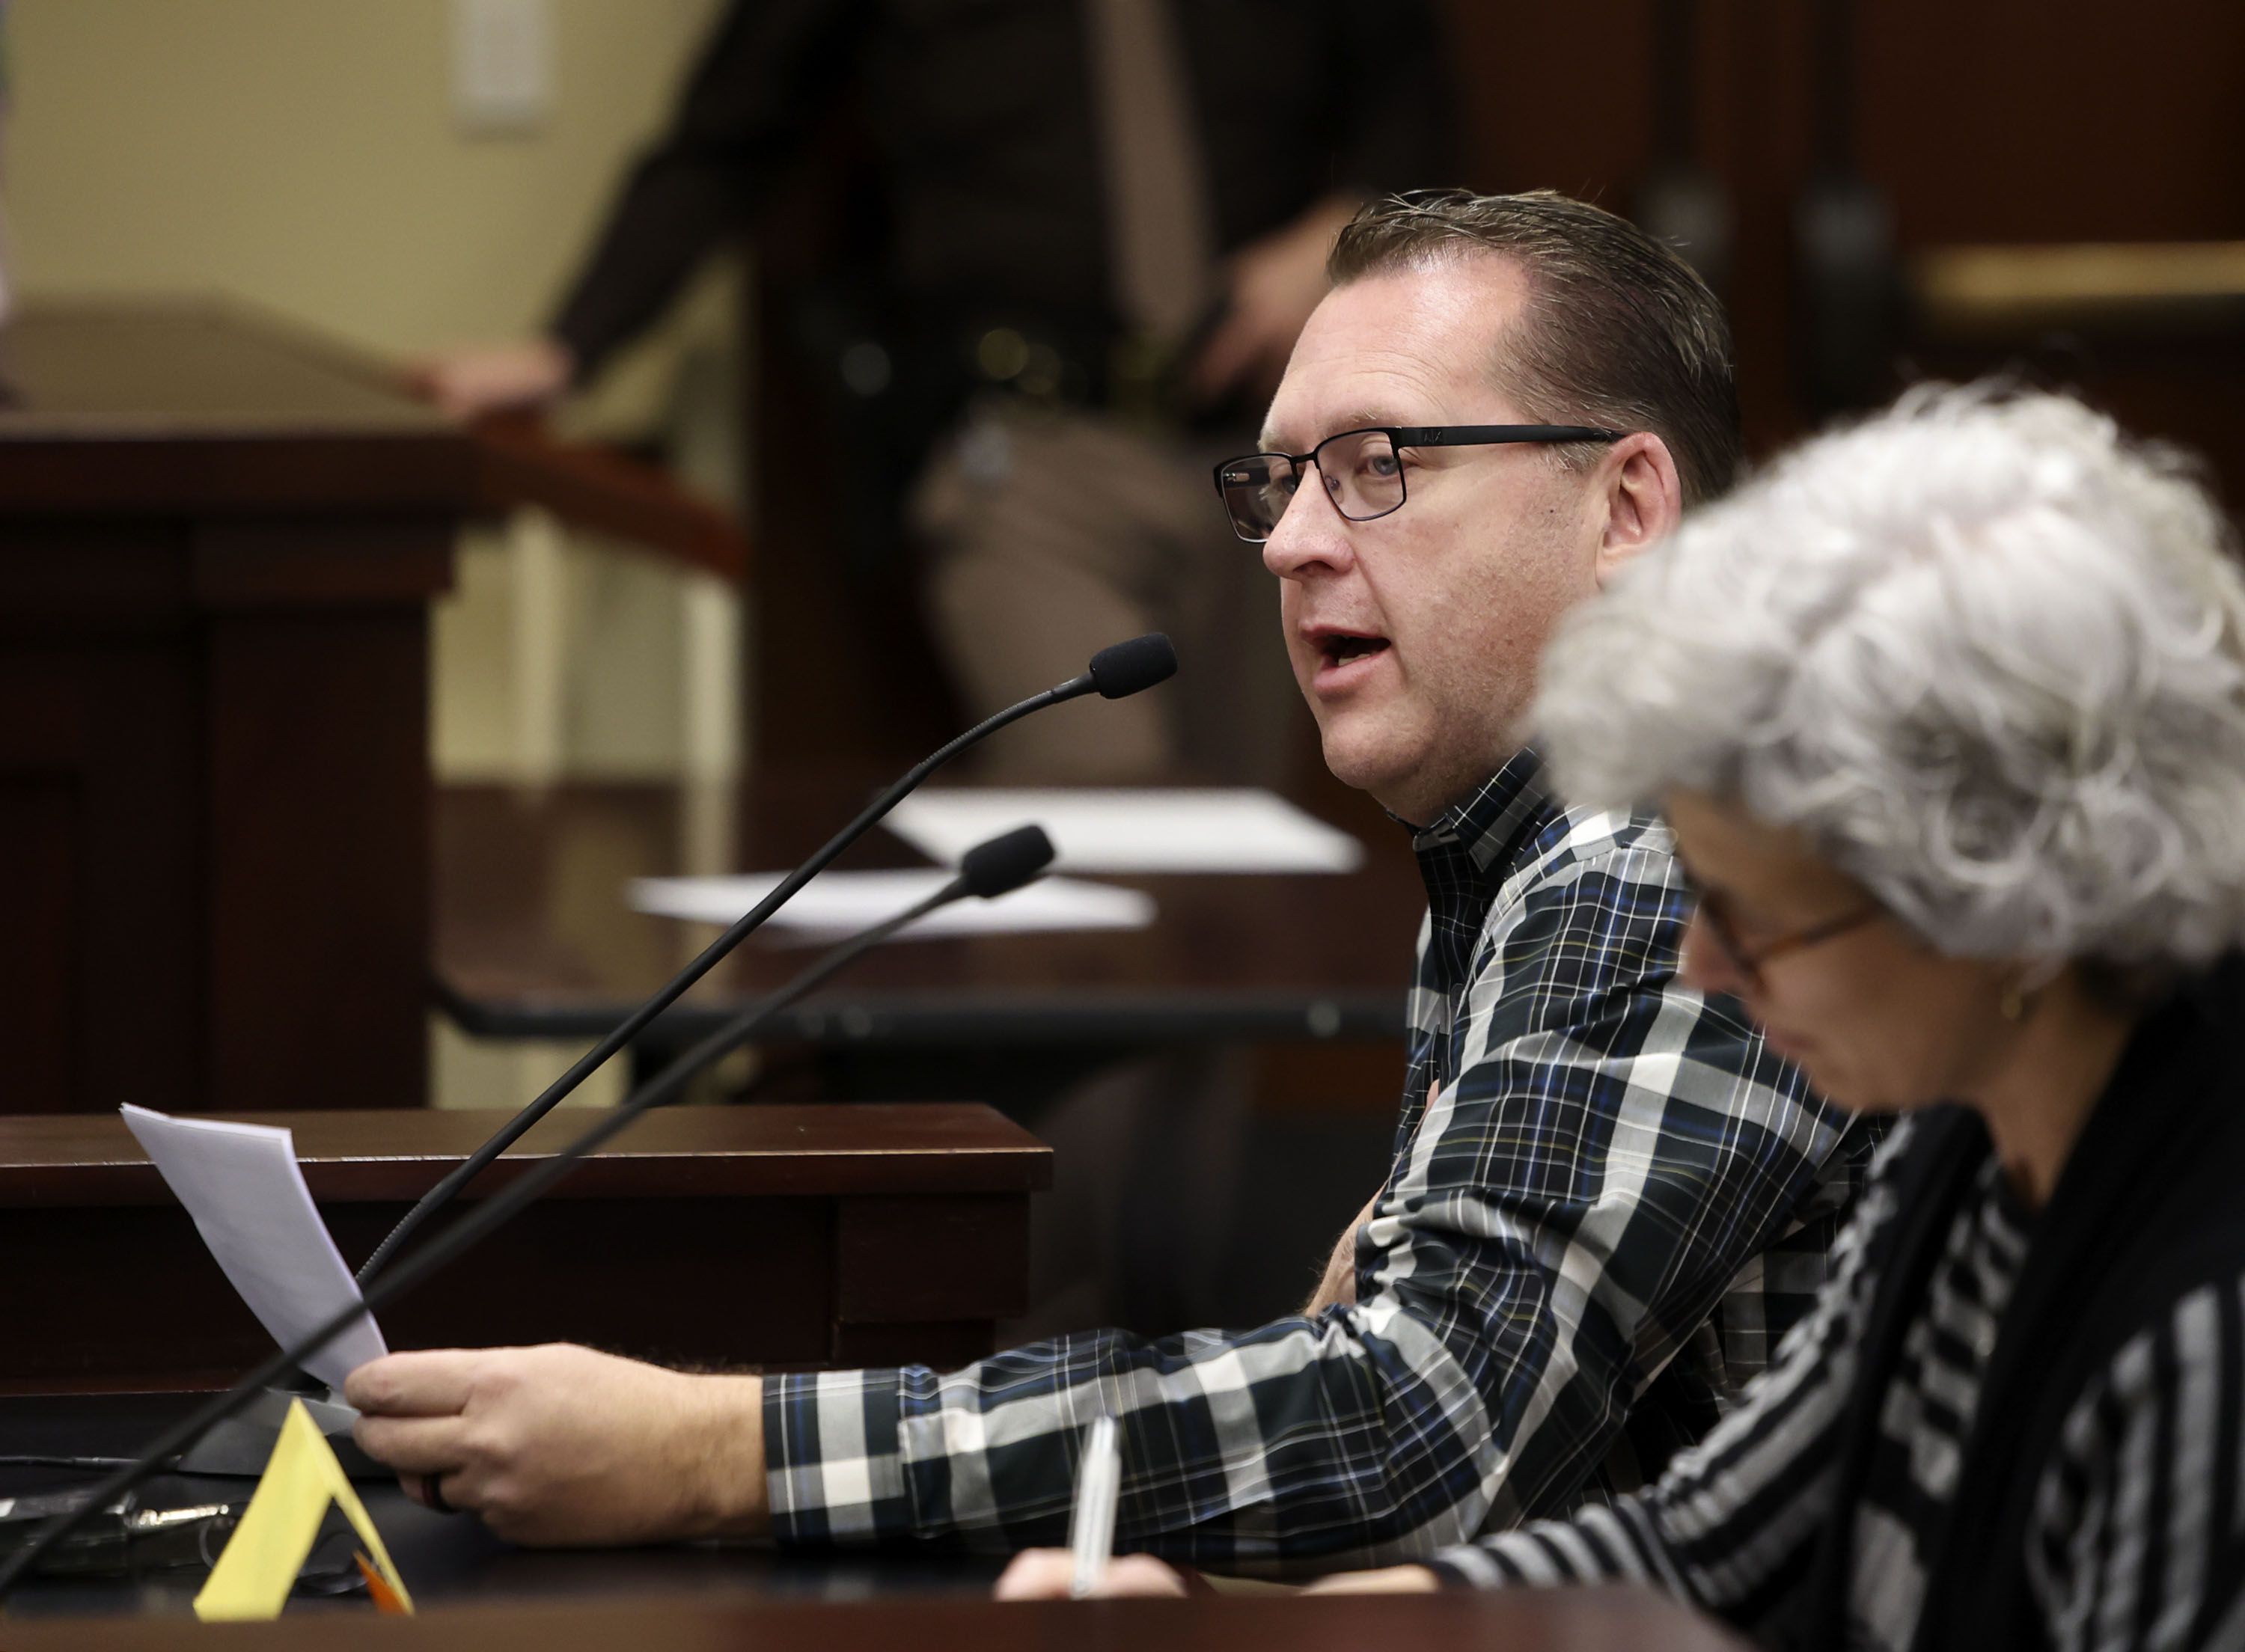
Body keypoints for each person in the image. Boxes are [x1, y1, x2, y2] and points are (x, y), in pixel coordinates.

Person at [346, 190, 1878, 1569]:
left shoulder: (1665, 854)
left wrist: (713, 1451)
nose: (1287, 544)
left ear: (1627, 509)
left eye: (1375, 467)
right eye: (1280, 481)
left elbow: (1419, 1431)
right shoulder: (1524, 837)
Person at [1002, 386, 2245, 1648]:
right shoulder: (1974, 1143)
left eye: (1759, 919)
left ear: (2017, 910)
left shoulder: (2209, 1331)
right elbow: (1698, 1548)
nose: (1704, 964)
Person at [415, 0, 1453, 784]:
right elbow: (726, 139)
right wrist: (566, 346)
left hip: (1265, 463)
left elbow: (1416, 109)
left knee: (1234, 875)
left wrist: (1350, 227)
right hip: (1026, 453)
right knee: (1104, 807)